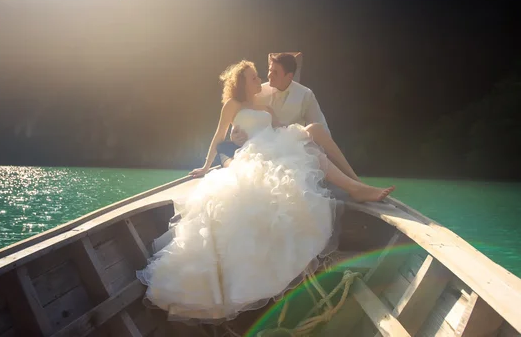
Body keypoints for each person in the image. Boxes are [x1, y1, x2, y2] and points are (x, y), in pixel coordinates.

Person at [136, 60, 394, 322]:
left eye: (260, 76)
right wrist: (205, 166)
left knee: (312, 143)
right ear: (241, 82)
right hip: (256, 152)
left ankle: (356, 186)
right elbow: (218, 136)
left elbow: (280, 129)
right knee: (303, 162)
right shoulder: (232, 106)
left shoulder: (266, 106)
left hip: (275, 146)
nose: (260, 80)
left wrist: (296, 135)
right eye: (254, 77)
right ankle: (356, 187)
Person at [217, 53, 360, 186]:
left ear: (289, 76)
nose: (269, 75)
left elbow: (324, 132)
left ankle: (355, 180)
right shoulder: (258, 91)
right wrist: (234, 134)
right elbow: (243, 116)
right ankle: (354, 184)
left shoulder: (305, 95)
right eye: (269, 70)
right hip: (266, 147)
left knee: (315, 130)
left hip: (292, 141)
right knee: (312, 135)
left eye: (275, 73)